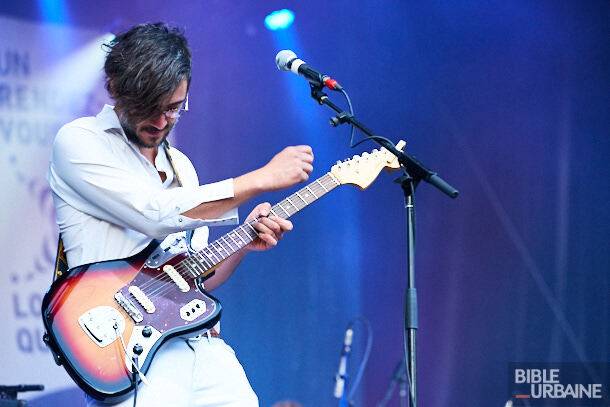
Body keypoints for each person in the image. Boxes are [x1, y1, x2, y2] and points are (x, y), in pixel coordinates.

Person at [47, 22, 314, 406]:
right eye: (147, 110)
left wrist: (243, 242)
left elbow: (195, 275)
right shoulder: (79, 141)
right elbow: (156, 215)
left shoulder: (182, 167)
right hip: (127, 348)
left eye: (172, 109)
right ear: (114, 90)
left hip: (196, 340)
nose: (160, 123)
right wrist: (261, 178)